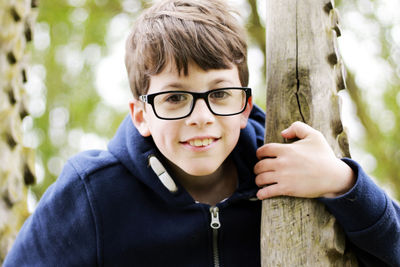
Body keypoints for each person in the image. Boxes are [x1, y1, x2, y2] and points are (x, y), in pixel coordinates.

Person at [4, 0, 400, 266]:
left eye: (220, 93)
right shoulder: (91, 192)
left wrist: (341, 182)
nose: (201, 116)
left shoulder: (297, 170)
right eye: (175, 97)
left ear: (245, 106)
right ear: (141, 115)